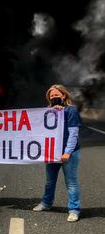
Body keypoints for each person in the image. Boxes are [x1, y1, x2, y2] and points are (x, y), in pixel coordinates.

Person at [33, 84, 82, 222]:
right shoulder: (48, 111)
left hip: (69, 154)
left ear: (64, 95)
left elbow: (73, 134)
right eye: (51, 96)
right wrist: (54, 113)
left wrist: (67, 152)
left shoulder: (71, 111)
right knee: (49, 181)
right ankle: (46, 204)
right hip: (52, 152)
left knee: (71, 182)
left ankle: (74, 210)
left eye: (56, 95)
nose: (54, 97)